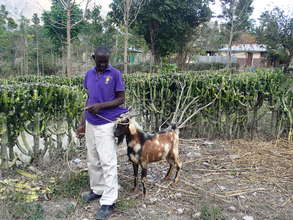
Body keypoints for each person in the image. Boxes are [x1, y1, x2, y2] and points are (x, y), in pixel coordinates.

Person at [76, 46, 128, 220]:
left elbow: (121, 98)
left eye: (106, 61)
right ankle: (98, 190)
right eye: (100, 61)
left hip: (107, 123)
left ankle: (109, 201)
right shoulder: (89, 74)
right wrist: (82, 123)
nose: (104, 64)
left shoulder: (115, 74)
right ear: (94, 58)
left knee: (108, 161)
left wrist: (101, 107)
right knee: (93, 159)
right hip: (91, 122)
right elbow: (89, 98)